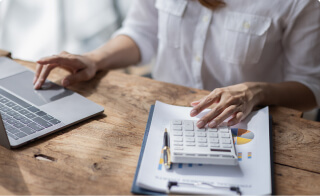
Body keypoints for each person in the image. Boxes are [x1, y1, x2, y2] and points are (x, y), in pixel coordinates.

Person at [33, 0, 320, 128]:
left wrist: (255, 91)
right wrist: (94, 59)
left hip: (245, 129)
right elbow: (142, 32)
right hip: (160, 118)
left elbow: (311, 89)